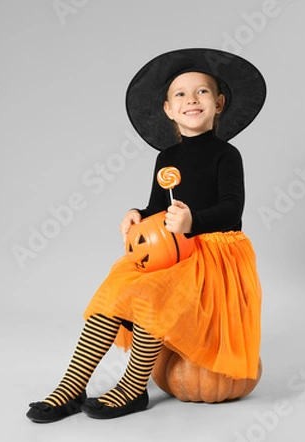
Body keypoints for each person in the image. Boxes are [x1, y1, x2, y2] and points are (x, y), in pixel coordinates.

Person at [26, 48, 267, 423]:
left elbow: (232, 210)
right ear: (169, 109)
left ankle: (134, 386)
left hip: (211, 253)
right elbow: (158, 207)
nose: (191, 100)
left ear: (218, 104)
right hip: (169, 249)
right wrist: (138, 215)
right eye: (180, 94)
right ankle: (73, 386)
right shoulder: (166, 158)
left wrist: (193, 222)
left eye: (202, 92)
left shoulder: (227, 155)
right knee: (116, 288)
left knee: (152, 294)